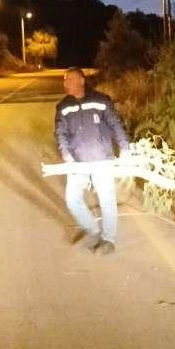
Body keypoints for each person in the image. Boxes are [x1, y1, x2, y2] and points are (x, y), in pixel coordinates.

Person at [54, 67, 131, 254]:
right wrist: (67, 156)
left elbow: (115, 124)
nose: (66, 84)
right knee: (72, 200)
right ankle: (93, 230)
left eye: (70, 80)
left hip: (101, 159)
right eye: (65, 81)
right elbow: (60, 134)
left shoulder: (101, 100)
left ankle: (109, 240)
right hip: (77, 162)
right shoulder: (63, 106)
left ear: (81, 80)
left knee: (107, 200)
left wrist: (125, 148)